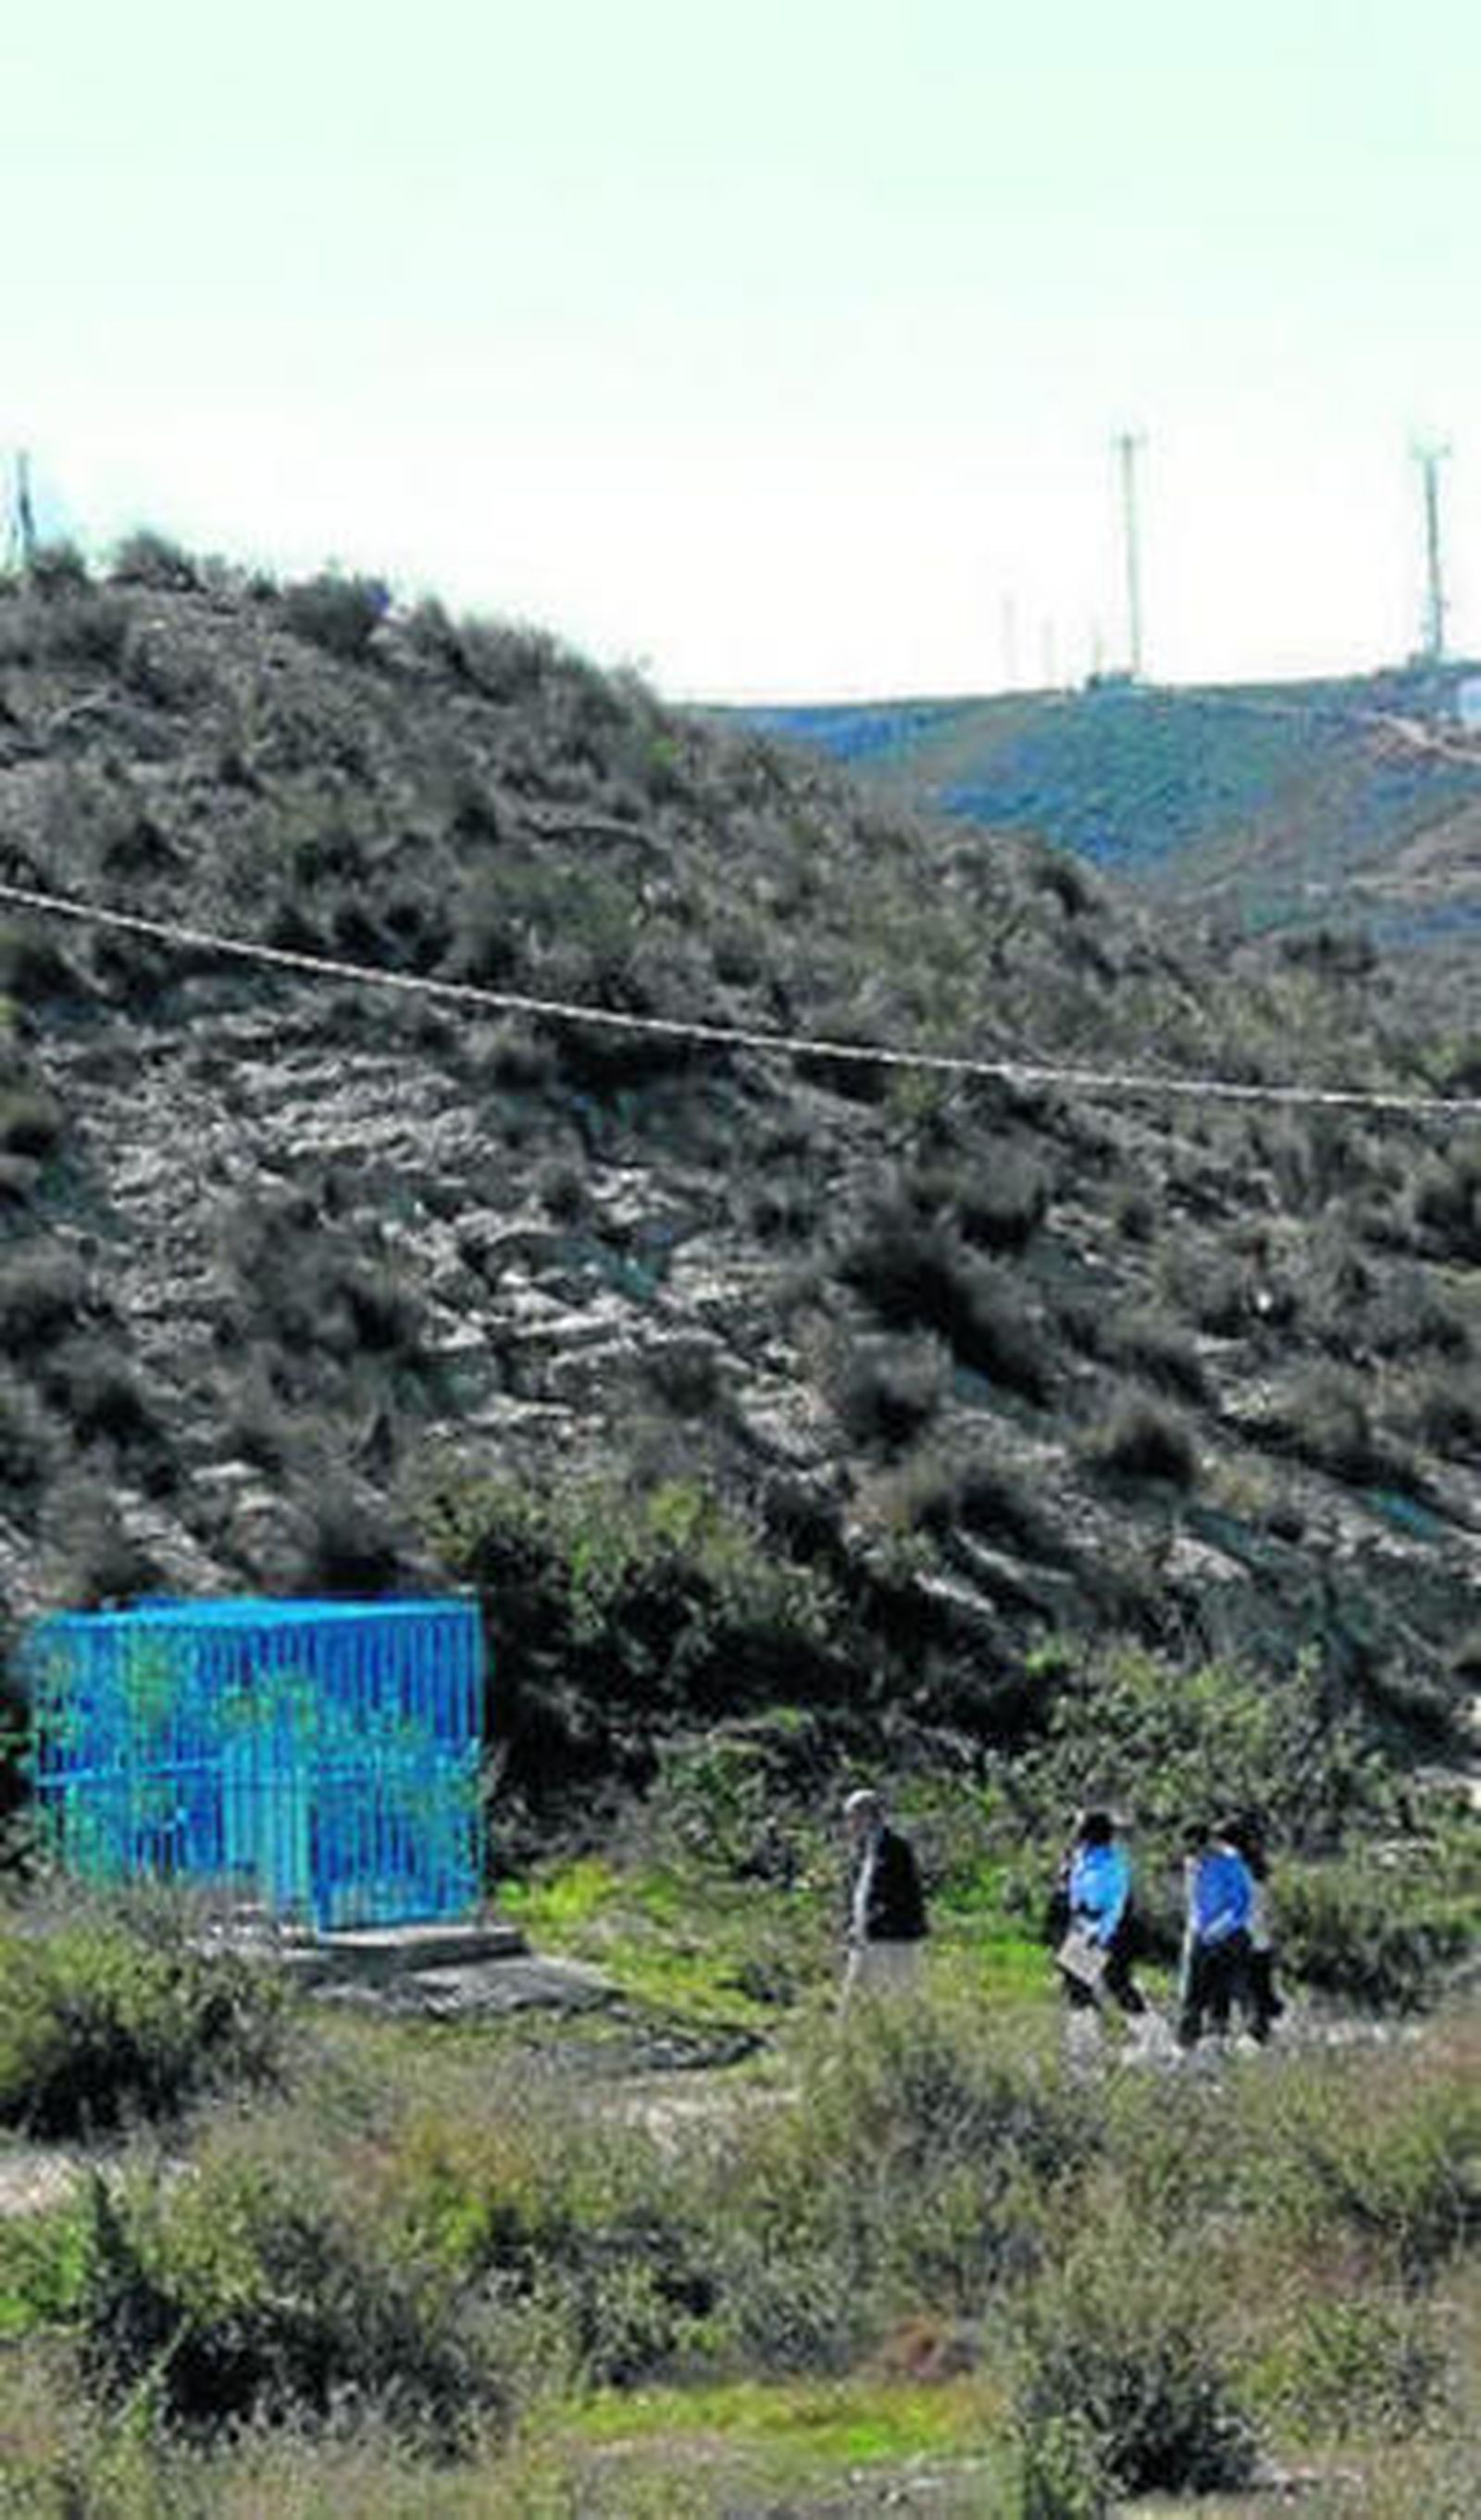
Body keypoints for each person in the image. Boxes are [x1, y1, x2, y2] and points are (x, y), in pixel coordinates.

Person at [1054, 1807, 1147, 2021]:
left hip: (1108, 1928)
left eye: (1080, 1828)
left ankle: (1154, 2038)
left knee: (1117, 1983)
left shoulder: (1112, 1863)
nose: (1075, 1832)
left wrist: (1102, 1934)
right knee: (1076, 1983)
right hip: (1084, 1925)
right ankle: (1085, 2039)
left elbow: (1116, 1904)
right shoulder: (1081, 1856)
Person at [840, 1787, 927, 2005]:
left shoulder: (896, 1849)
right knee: (855, 1995)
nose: (849, 1824)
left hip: (894, 1938)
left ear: (868, 1816)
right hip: (867, 1937)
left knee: (901, 1997)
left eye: (853, 1817)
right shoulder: (862, 1850)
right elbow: (860, 1892)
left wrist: (871, 1922)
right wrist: (852, 1924)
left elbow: (899, 1895)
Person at [1176, 1818, 1254, 2049]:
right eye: (1188, 1849)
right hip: (1198, 1935)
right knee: (1191, 1995)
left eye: (1194, 1848)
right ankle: (1185, 2047)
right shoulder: (1191, 1864)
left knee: (1219, 1996)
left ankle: (1216, 2047)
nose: (1191, 1854)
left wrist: (1216, 1929)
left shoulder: (1231, 1864)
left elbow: (1240, 1905)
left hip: (1228, 1938)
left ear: (1207, 1843)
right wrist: (1194, 1932)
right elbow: (1194, 1903)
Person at [1223, 1812, 1283, 2041]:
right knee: (1258, 1994)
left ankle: (1254, 2036)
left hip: (1239, 1939)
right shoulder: (1257, 1864)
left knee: (1244, 1994)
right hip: (1260, 1939)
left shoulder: (1229, 1864)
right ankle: (1261, 2034)